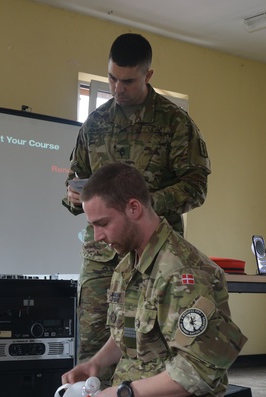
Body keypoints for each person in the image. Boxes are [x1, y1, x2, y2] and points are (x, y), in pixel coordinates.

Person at [50, 163, 247, 397]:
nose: (97, 236)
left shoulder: (185, 274)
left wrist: (124, 393)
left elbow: (199, 372)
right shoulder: (130, 264)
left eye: (103, 223)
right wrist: (95, 364)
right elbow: (127, 333)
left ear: (134, 208)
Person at [63, 33, 211, 367]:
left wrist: (144, 206)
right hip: (102, 255)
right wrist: (74, 194)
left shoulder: (175, 124)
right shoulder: (95, 124)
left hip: (154, 252)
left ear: (147, 75)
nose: (117, 88)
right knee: (93, 340)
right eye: (112, 78)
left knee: (154, 338)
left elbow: (196, 186)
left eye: (127, 81)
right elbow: (76, 176)